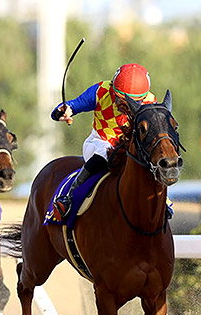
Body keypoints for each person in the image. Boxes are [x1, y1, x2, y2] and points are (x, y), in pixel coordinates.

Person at [50, 63, 157, 221]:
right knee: (107, 151)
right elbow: (73, 105)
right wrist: (63, 111)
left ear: (142, 99)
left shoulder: (150, 102)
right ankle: (68, 198)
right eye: (120, 100)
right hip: (98, 143)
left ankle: (161, 201)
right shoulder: (101, 91)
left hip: (128, 151)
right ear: (114, 89)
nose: (124, 107)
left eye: (131, 103)